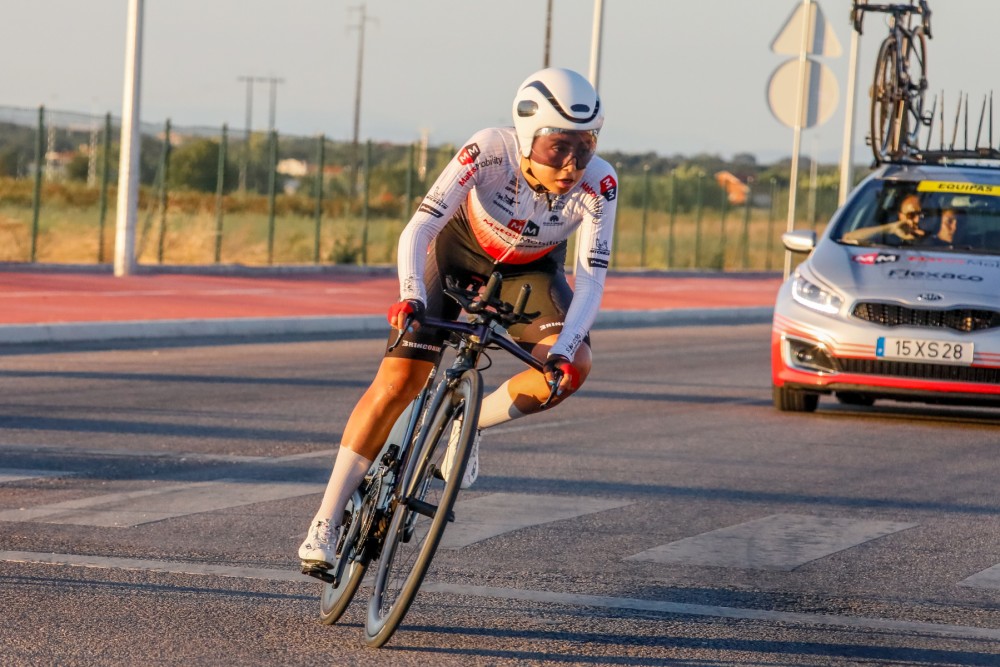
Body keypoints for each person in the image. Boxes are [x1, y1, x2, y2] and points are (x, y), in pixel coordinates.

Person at [298, 67, 619, 572]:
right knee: (400, 378)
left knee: (572, 367)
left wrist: (562, 349)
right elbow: (420, 226)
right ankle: (326, 519)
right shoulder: (489, 149)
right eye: (559, 146)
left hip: (530, 272)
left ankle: (469, 426)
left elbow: (592, 280)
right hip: (455, 250)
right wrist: (409, 296)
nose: (573, 162)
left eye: (586, 145)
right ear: (528, 134)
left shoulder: (600, 183)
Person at [842, 194, 926, 245]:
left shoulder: (936, 241)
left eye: (922, 215)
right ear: (900, 216)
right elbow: (848, 238)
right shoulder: (886, 239)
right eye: (911, 215)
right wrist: (890, 228)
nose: (917, 220)